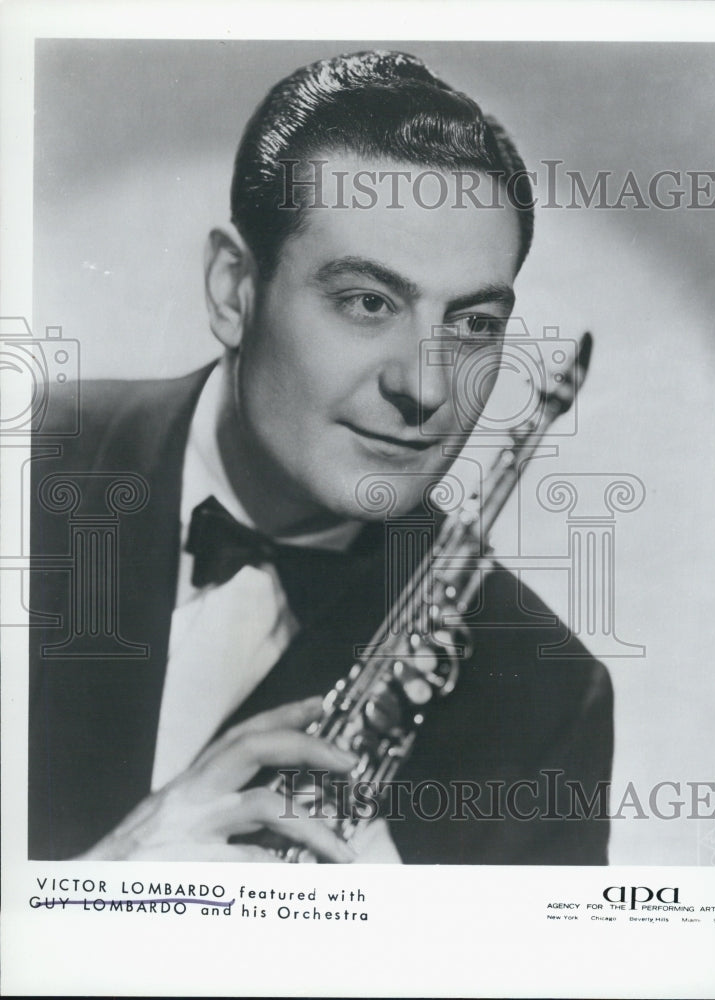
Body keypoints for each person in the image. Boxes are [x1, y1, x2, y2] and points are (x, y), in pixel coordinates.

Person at [28, 49, 612, 864]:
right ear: (234, 290)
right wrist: (97, 891)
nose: (425, 387)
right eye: (367, 303)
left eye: (474, 324)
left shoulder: (544, 701)